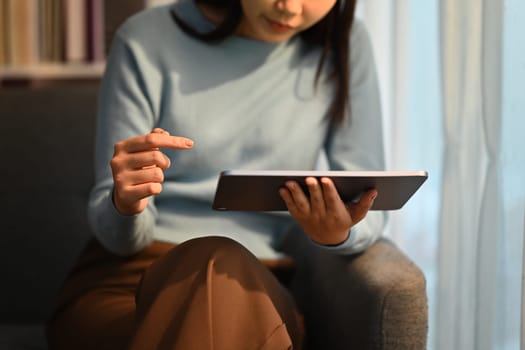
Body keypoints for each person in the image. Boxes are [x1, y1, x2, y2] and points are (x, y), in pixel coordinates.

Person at [47, 0, 385, 349]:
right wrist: (125, 204)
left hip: (254, 287)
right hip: (127, 283)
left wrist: (338, 231)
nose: (289, 8)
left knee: (220, 271)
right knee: (214, 274)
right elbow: (120, 239)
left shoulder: (345, 44)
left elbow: (371, 199)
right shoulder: (145, 38)